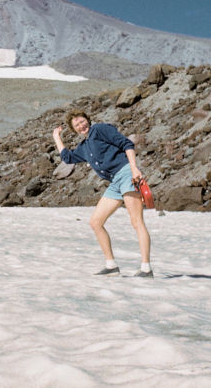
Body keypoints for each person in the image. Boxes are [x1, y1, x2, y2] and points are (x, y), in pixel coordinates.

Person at [52, 110, 152, 278]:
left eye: (82, 121)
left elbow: (127, 144)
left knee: (136, 221)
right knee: (96, 222)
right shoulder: (84, 147)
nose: (81, 126)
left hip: (127, 173)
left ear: (88, 120)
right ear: (74, 129)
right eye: (76, 125)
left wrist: (135, 169)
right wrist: (56, 137)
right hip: (115, 182)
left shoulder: (100, 129)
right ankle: (111, 265)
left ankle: (146, 268)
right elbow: (68, 158)